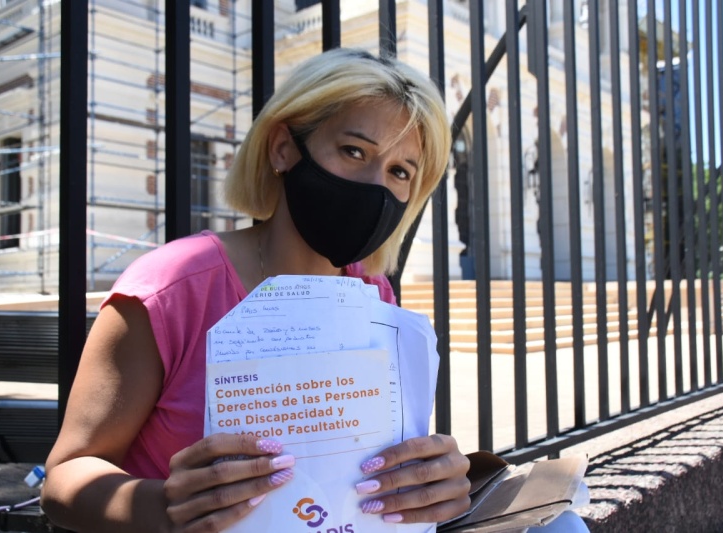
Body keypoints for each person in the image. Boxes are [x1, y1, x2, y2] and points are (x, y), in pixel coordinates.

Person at [41, 47, 470, 532]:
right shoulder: (172, 289)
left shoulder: (373, 295)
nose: (376, 185)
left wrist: (432, 480)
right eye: (355, 151)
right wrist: (164, 507)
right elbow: (65, 478)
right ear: (283, 147)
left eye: (400, 171)